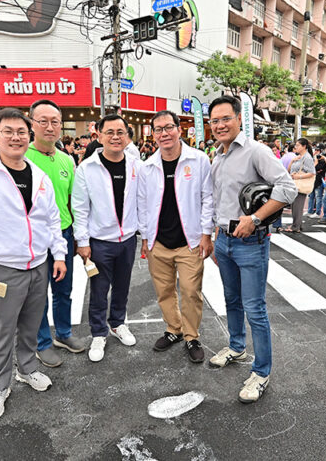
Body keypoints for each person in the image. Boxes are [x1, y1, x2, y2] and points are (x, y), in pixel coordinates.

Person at [0, 108, 67, 421]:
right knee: (3, 329)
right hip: (3, 266)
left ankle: (27, 369)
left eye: (21, 131)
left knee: (32, 324)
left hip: (38, 265)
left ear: (29, 135)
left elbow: (51, 219)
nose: (16, 137)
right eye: (8, 131)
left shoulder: (39, 175)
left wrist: (58, 254)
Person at [208, 95, 297, 403]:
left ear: (239, 119)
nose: (220, 125)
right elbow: (216, 200)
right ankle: (235, 345)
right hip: (224, 239)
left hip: (250, 242)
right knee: (231, 299)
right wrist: (211, 236)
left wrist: (257, 218)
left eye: (225, 119)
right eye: (214, 121)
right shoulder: (217, 156)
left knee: (254, 308)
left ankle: (261, 372)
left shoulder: (256, 151)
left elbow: (288, 188)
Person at [138, 110, 213, 363]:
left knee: (191, 291)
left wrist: (206, 234)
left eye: (168, 127)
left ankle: (192, 335)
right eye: (158, 129)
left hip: (190, 241)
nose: (164, 133)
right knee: (164, 290)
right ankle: (174, 329)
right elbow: (143, 204)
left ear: (179, 130)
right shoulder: (147, 166)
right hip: (159, 241)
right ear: (154, 135)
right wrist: (146, 237)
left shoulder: (199, 160)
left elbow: (207, 198)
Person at [72, 114, 141, 363]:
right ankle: (98, 332)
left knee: (123, 286)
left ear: (127, 137)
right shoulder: (87, 168)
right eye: (109, 132)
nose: (115, 137)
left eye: (120, 132)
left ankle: (117, 323)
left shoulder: (135, 165)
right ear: (99, 135)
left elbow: (142, 200)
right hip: (99, 241)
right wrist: (82, 242)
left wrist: (143, 233)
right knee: (99, 290)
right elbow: (79, 207)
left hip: (128, 239)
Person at [24, 99, 85, 367]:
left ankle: (64, 333)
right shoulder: (22, 158)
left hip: (64, 233)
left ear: (61, 126)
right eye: (43, 121)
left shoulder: (67, 160)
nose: (50, 127)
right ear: (32, 124)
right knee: (38, 293)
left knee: (64, 289)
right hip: (34, 237)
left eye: (55, 122)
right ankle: (42, 342)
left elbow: (71, 199)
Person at [285, 138, 315, 233]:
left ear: (304, 146)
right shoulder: (299, 157)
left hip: (301, 185)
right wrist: (292, 161)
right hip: (295, 184)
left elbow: (311, 173)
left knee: (297, 206)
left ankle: (295, 226)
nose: (295, 147)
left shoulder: (307, 157)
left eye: (298, 145)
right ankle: (297, 225)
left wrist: (299, 177)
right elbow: (289, 170)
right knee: (295, 206)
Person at [307, 145, 326, 218]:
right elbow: (310, 168)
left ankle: (317, 212)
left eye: (318, 150)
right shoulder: (313, 158)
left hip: (319, 180)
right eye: (315, 150)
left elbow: (318, 168)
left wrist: (316, 162)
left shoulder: (324, 159)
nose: (316, 152)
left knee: (318, 196)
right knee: (311, 196)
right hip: (313, 180)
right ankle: (309, 210)